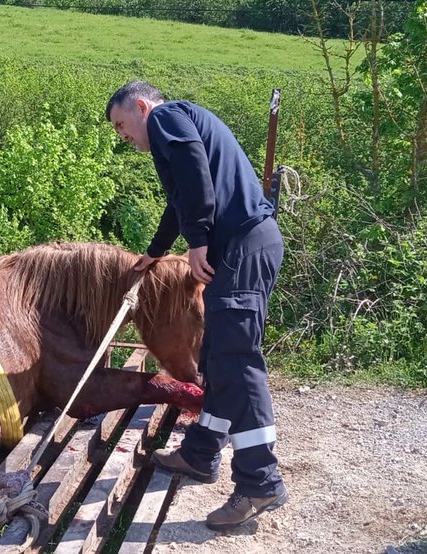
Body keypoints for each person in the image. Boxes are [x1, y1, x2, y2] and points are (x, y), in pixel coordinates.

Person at [104, 81, 287, 531]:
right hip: (240, 246)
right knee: (217, 357)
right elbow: (181, 200)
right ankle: (200, 452)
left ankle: (260, 481)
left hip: (243, 243)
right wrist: (155, 250)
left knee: (236, 359)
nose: (123, 137)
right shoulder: (178, 128)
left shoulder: (167, 118)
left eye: (122, 125)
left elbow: (194, 173)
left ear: (142, 107)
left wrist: (199, 241)